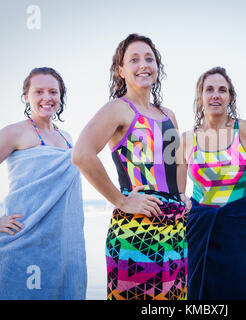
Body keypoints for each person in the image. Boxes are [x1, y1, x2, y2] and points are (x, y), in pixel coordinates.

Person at [72, 34, 189, 300]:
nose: (143, 65)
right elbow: (81, 154)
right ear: (121, 71)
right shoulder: (118, 109)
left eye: (149, 58)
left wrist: (182, 195)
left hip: (175, 229)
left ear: (158, 67)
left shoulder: (168, 114)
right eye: (134, 60)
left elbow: (178, 161)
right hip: (136, 230)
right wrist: (121, 201)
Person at [0, 67, 87, 299]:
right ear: (26, 97)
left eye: (53, 92)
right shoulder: (14, 133)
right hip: (21, 245)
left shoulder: (67, 138)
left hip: (60, 250)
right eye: (38, 91)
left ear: (61, 97)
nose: (47, 98)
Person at [177, 66, 246, 300]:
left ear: (230, 97)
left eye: (222, 90)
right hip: (198, 233)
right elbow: (178, 193)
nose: (215, 95)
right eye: (209, 89)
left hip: (240, 232)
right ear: (200, 97)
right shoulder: (185, 139)